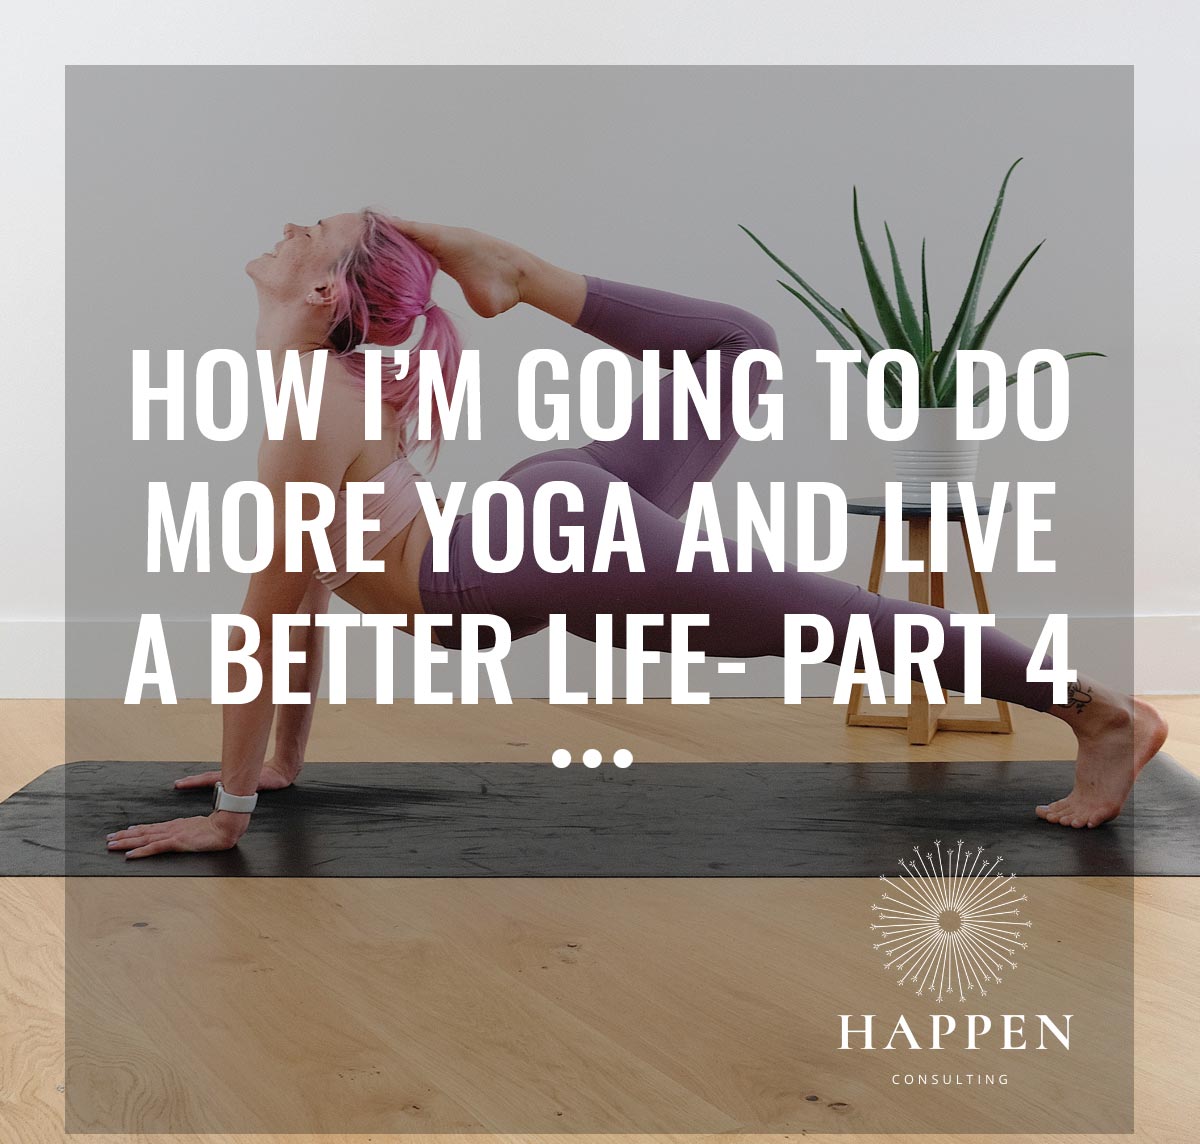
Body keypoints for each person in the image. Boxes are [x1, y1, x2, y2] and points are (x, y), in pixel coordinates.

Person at [105, 211, 1168, 858]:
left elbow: (270, 622)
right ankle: (516, 272)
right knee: (740, 350)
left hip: (540, 540)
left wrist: (234, 810)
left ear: (328, 290)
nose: (290, 228)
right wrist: (277, 767)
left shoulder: (312, 404)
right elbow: (295, 608)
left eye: (314, 234)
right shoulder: (334, 387)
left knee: (838, 619)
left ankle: (1102, 714)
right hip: (541, 520)